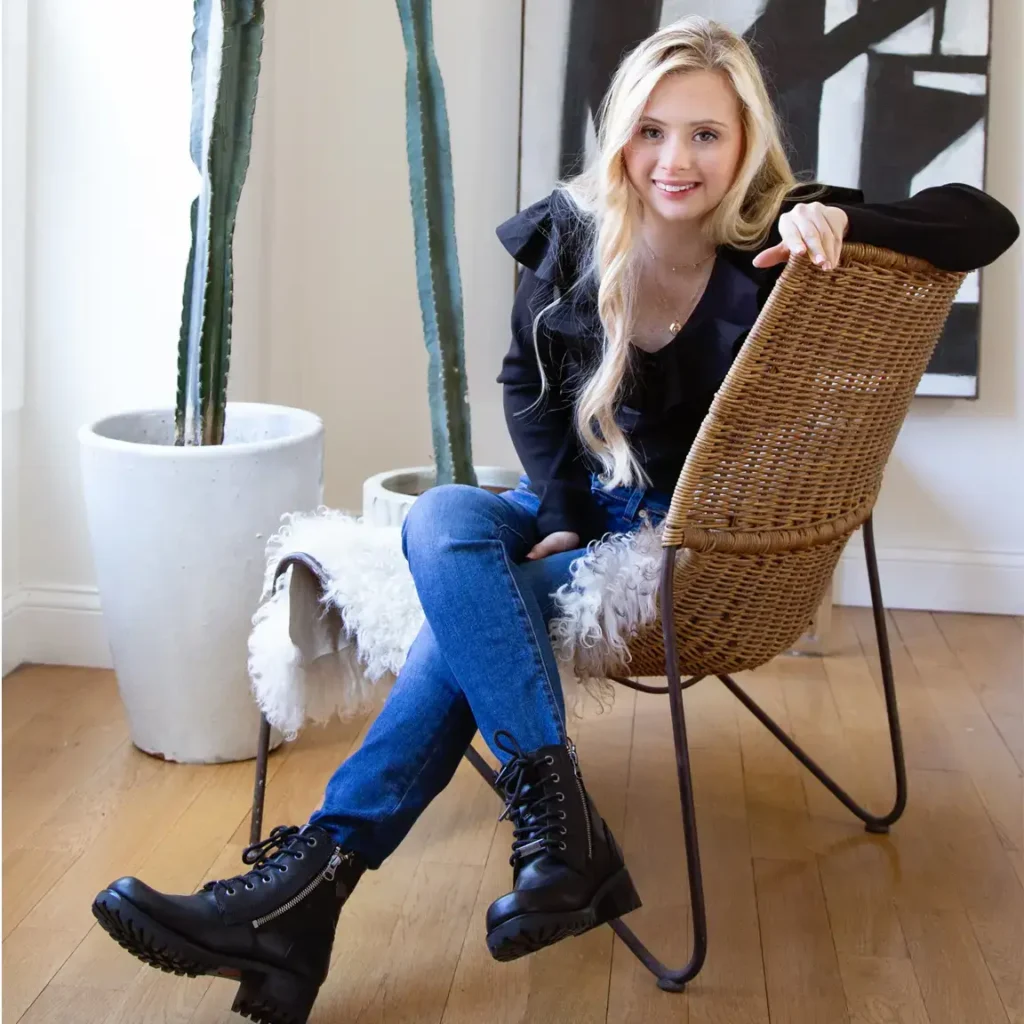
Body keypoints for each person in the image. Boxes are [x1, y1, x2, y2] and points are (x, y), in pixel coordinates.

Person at [90, 16, 1019, 1024]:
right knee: (444, 515)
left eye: (707, 134)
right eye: (653, 130)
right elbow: (522, 386)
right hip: (589, 505)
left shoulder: (778, 234)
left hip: (684, 539)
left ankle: (303, 903)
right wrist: (566, 511)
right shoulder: (570, 233)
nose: (676, 159)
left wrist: (839, 218)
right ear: (621, 132)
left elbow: (981, 220)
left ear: (746, 138)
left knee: (464, 627)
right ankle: (560, 840)